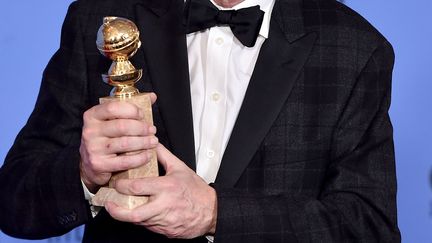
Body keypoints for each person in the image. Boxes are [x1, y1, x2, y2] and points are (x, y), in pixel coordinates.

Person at [0, 0, 401, 242]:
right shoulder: (102, 21)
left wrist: (215, 212)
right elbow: (13, 202)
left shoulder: (356, 49)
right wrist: (83, 173)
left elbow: (367, 229)